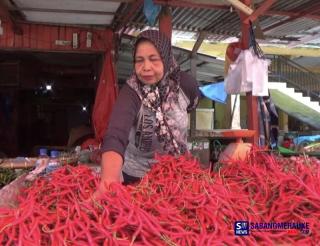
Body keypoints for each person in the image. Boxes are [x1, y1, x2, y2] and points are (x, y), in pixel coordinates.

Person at [96, 29, 200, 194]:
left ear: (166, 59)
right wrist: (108, 180)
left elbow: (191, 106)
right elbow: (116, 134)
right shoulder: (131, 91)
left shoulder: (186, 85)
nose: (146, 67)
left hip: (177, 173)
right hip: (136, 175)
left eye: (154, 59)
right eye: (139, 60)